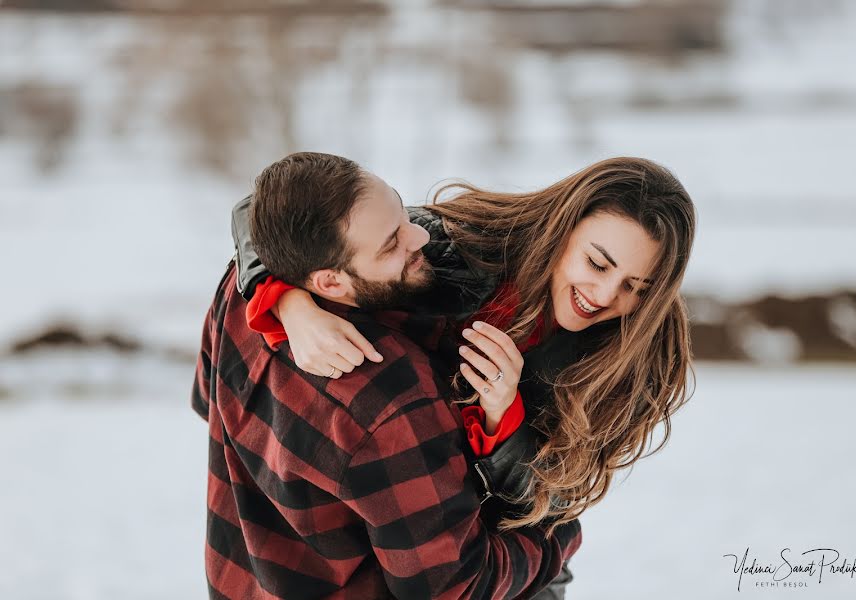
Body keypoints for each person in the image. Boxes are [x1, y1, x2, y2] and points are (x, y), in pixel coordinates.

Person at [231, 154, 697, 545]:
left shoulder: (639, 358)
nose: (603, 295)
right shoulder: (463, 245)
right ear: (564, 226)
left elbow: (555, 500)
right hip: (399, 531)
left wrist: (502, 416)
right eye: (597, 263)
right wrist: (289, 302)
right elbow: (271, 213)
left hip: (511, 568)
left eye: (636, 287)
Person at [192, 152, 581, 600]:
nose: (419, 235)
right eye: (391, 243)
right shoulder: (393, 397)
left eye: (400, 209)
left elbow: (209, 399)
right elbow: (455, 588)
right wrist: (558, 529)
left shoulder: (238, 293)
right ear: (331, 283)